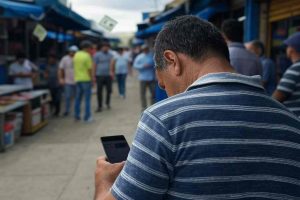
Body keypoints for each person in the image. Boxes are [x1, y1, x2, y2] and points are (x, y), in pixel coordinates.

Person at [94, 16, 300, 199]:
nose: (162, 87)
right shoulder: (292, 122)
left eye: (162, 81)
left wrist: (103, 181)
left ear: (172, 60)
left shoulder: (164, 119)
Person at [273, 32, 300, 117]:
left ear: (292, 49)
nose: (286, 49)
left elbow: (276, 98)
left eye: (288, 46)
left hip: (294, 121)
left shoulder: (296, 68)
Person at [73, 40, 94, 122]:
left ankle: (77, 116)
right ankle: (87, 117)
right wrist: (92, 79)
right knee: (87, 99)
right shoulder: (87, 56)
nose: (90, 49)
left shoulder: (76, 55)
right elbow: (89, 69)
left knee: (78, 98)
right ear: (86, 48)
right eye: (90, 48)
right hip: (86, 80)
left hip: (78, 79)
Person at [133, 44, 156, 111]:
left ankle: (153, 106)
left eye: (146, 49)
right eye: (144, 49)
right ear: (142, 50)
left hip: (151, 78)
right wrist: (143, 66)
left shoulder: (152, 56)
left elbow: (155, 64)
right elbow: (135, 65)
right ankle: (144, 107)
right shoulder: (139, 57)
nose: (145, 50)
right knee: (143, 93)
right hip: (142, 78)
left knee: (153, 93)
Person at [58, 45, 78, 116]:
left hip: (77, 81)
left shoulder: (78, 58)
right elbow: (61, 69)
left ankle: (76, 110)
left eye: (74, 52)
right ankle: (67, 110)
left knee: (76, 96)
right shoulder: (64, 59)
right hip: (67, 81)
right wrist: (61, 78)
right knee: (67, 96)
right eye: (71, 51)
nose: (72, 53)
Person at [93, 42, 114, 112]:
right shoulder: (97, 55)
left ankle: (107, 103)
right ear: (102, 47)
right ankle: (99, 106)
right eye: (104, 46)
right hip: (99, 75)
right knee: (99, 91)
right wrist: (94, 75)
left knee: (109, 90)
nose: (105, 48)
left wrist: (112, 72)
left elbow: (112, 64)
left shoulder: (110, 55)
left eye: (107, 47)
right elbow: (94, 65)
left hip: (108, 75)